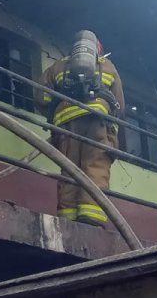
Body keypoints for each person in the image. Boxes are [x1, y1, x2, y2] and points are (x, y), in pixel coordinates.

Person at [38, 31, 125, 227]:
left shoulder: (58, 66)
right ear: (97, 49)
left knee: (69, 170)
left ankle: (67, 219)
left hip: (66, 126)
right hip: (97, 123)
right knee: (95, 166)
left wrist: (54, 111)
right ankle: (92, 216)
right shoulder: (107, 66)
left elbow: (41, 97)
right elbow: (119, 104)